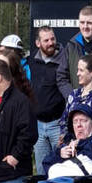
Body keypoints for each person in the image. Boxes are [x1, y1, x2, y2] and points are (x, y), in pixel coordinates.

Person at [25, 28, 69, 164]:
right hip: (38, 126)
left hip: (58, 125)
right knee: (42, 168)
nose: (51, 43)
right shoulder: (31, 61)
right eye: (46, 40)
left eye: (52, 39)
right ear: (38, 43)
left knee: (62, 168)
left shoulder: (65, 60)